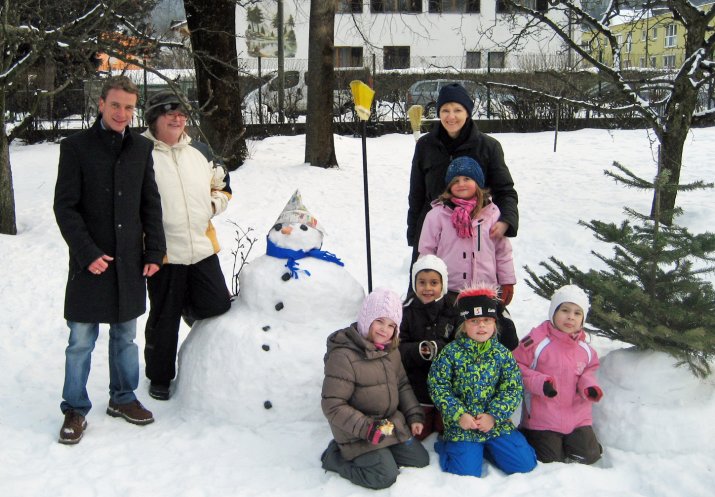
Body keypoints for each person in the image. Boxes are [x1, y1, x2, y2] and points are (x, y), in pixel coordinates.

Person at [53, 76, 166, 445]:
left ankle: (123, 397)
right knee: (80, 341)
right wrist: (87, 253)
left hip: (129, 261)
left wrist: (154, 251)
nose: (122, 113)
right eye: (115, 105)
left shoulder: (141, 148)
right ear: (101, 104)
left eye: (129, 107)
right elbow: (65, 208)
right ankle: (74, 408)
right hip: (89, 262)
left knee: (125, 337)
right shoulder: (76, 148)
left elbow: (150, 204)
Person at [141, 90, 233, 401]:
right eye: (170, 113)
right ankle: (159, 377)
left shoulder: (200, 151)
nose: (178, 119)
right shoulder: (139, 153)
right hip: (164, 254)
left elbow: (223, 185)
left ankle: (195, 327)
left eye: (181, 113)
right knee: (163, 321)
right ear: (154, 118)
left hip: (202, 249)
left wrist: (211, 205)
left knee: (217, 306)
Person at [320, 288, 429, 490]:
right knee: (384, 476)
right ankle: (335, 458)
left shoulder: (391, 350)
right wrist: (367, 428)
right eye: (379, 321)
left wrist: (414, 415)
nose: (384, 330)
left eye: (391, 325)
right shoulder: (343, 356)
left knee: (420, 459)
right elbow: (332, 405)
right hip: (358, 431)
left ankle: (383, 452)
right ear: (366, 318)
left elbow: (402, 384)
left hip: (388, 425)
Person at [427, 285, 537, 477]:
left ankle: (489, 449)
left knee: (525, 464)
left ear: (494, 323)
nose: (481, 326)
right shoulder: (451, 353)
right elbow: (438, 386)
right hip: (463, 424)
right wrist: (459, 414)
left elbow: (512, 389)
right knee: (466, 473)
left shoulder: (502, 354)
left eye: (487, 320)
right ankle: (449, 447)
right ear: (464, 324)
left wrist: (493, 416)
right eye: (474, 321)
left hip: (495, 423)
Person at [406, 82, 518, 262]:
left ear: (467, 112)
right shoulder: (426, 146)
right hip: (433, 234)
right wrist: (414, 234)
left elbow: (505, 191)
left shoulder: (488, 147)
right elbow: (416, 194)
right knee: (429, 280)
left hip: (474, 235)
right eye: (445, 110)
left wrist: (506, 220)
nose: (451, 116)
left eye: (457, 110)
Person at [418, 156, 518, 350]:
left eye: (467, 179)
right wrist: (427, 283)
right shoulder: (437, 215)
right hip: (451, 292)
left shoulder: (492, 214)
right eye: (455, 181)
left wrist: (507, 281)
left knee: (486, 336)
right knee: (454, 337)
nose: (461, 184)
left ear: (478, 183)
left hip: (485, 291)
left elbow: (503, 253)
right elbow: (426, 252)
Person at [512, 285, 604, 464]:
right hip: (543, 417)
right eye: (565, 310)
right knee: (550, 459)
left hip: (577, 417)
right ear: (553, 312)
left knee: (589, 456)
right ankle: (529, 437)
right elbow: (515, 366)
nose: (570, 317)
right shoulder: (536, 343)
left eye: (577, 313)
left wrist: (588, 386)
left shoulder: (586, 350)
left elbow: (589, 370)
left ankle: (578, 442)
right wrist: (539, 382)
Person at [398, 255, 461, 440]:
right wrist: (417, 350)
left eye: (434, 283)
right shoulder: (406, 311)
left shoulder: (453, 311)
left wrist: (439, 348)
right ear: (414, 283)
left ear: (443, 284)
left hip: (447, 387)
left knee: (446, 429)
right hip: (417, 386)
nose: (427, 288)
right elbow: (398, 347)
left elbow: (460, 345)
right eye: (422, 282)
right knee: (418, 433)